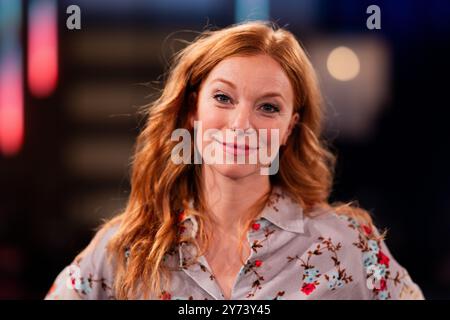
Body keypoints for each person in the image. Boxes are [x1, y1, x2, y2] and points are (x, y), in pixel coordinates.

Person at [45, 21, 424, 300]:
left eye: (268, 107)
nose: (242, 124)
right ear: (193, 109)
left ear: (290, 128)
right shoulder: (123, 249)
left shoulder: (349, 246)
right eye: (223, 98)